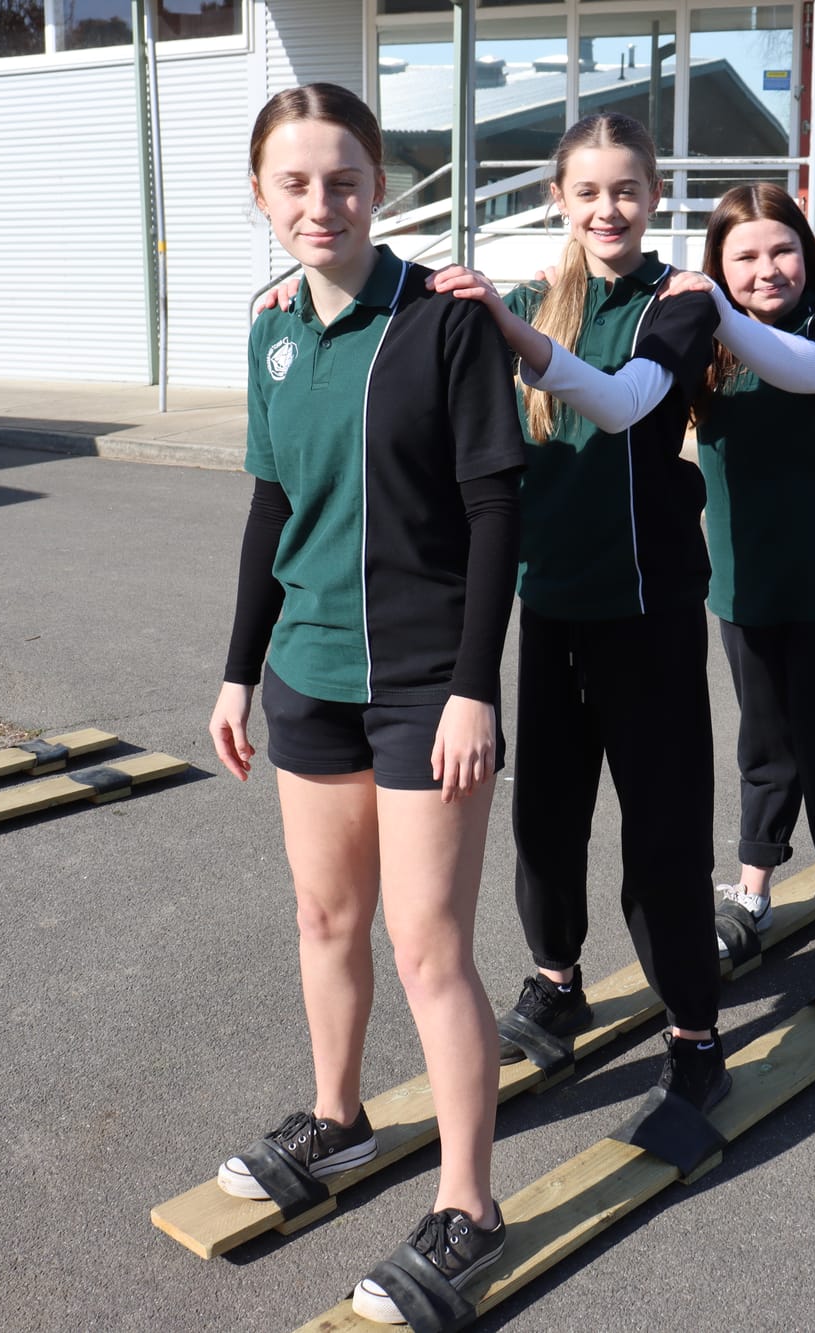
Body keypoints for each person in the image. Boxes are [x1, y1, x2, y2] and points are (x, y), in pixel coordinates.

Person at [207, 83, 525, 1324]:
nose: (318, 203)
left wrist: (469, 689)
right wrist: (240, 668)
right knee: (321, 915)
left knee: (428, 946)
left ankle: (468, 1205)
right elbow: (271, 509)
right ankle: (337, 1120)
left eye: (340, 179)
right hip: (311, 681)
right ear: (262, 197)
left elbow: (499, 508)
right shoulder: (272, 329)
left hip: (421, 687)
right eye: (293, 183)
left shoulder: (441, 321)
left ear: (376, 184)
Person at [426, 112, 730, 1115]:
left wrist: (512, 335)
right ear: (557, 197)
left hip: (645, 613)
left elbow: (623, 402)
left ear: (653, 197)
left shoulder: (678, 303)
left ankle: (693, 1030)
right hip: (547, 608)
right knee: (545, 822)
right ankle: (557, 984)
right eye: (588, 191)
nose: (608, 209)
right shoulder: (524, 301)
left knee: (663, 835)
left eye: (627, 190)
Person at [661, 183, 815, 1026]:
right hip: (745, 585)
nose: (769, 268)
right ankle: (754, 891)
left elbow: (810, 373)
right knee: (764, 750)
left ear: (809, 250)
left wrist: (717, 310)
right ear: (719, 264)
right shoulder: (711, 338)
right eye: (746, 256)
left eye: (782, 249)